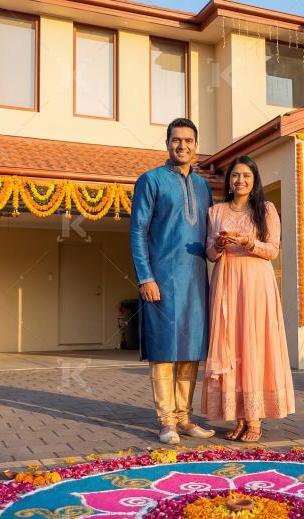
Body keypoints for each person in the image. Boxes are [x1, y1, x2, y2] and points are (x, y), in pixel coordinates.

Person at [130, 118, 215, 445]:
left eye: (189, 141)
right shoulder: (150, 181)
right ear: (167, 143)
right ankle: (166, 421)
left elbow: (208, 233)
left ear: (196, 145)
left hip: (195, 281)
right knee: (165, 350)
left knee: (191, 350)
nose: (182, 146)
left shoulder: (204, 186)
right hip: (161, 281)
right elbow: (138, 231)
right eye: (176, 140)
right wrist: (145, 277)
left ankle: (185, 416)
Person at [202, 155, 295, 442]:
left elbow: (273, 250)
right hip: (227, 282)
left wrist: (248, 242)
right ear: (229, 180)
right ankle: (240, 418)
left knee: (254, 344)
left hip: (256, 285)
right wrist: (218, 244)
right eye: (235, 175)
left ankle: (255, 419)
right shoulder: (215, 212)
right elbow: (209, 253)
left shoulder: (265, 209)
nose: (239, 180)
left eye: (246, 176)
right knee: (231, 343)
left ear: (254, 181)